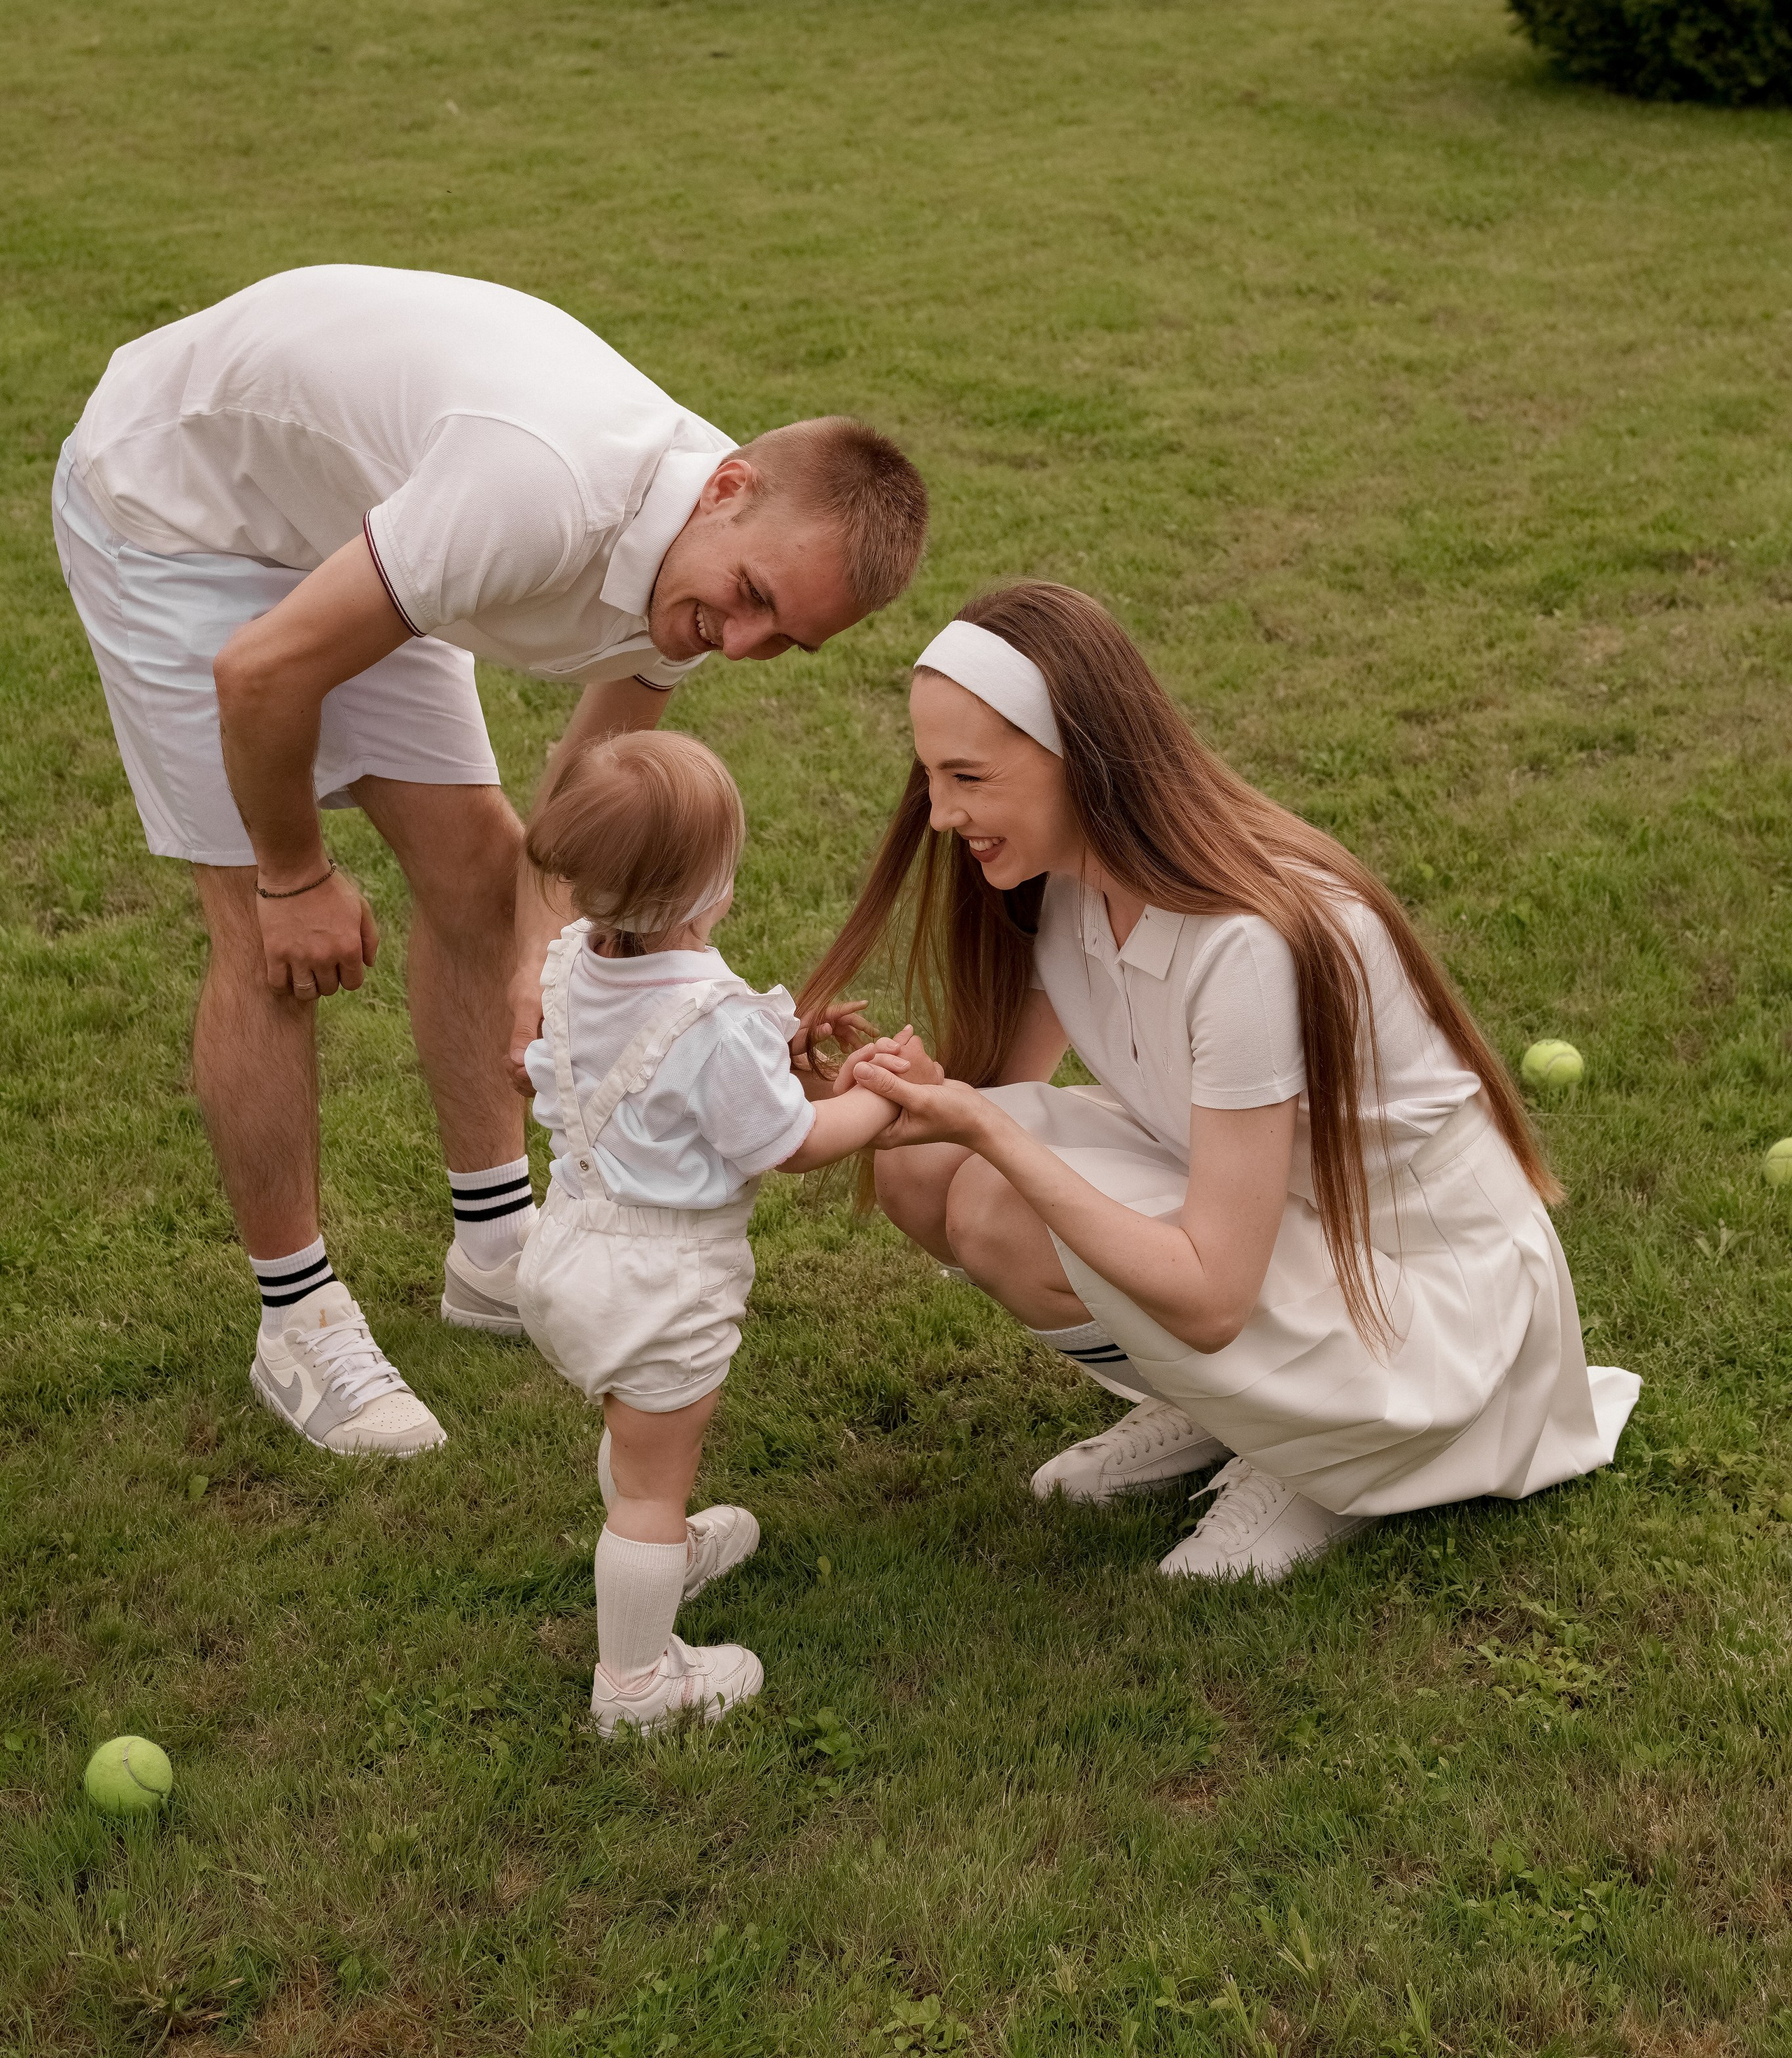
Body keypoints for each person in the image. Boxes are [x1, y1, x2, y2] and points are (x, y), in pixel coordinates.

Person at [52, 263, 927, 1459]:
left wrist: (539, 966)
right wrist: (295, 876)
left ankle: (492, 1244)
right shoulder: (540, 494)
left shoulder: (706, 562)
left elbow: (581, 802)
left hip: (361, 522)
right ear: (725, 490)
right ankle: (297, 1316)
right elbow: (262, 673)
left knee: (482, 870)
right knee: (264, 944)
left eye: (790, 639)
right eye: (752, 599)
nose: (745, 640)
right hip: (175, 507)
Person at [806, 582, 1640, 1585]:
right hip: (1284, 1236)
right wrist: (824, 1098)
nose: (941, 815)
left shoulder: (1245, 945)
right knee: (939, 1173)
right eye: (932, 777)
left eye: (969, 776)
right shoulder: (1067, 885)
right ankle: (1229, 1412)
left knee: (994, 1186)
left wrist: (989, 1133)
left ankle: (1328, 1458)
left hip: (1431, 1307)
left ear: (1078, 752)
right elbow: (991, 1101)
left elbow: (1208, 1299)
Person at [517, 729, 904, 1735]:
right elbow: (790, 1142)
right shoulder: (711, 1016)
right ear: (708, 889)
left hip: (566, 1252)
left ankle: (662, 1550)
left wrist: (778, 1045)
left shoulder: (570, 964)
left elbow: (579, 1069)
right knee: (650, 1477)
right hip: (662, 1279)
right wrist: (877, 1099)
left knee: (633, 1429)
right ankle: (637, 1684)